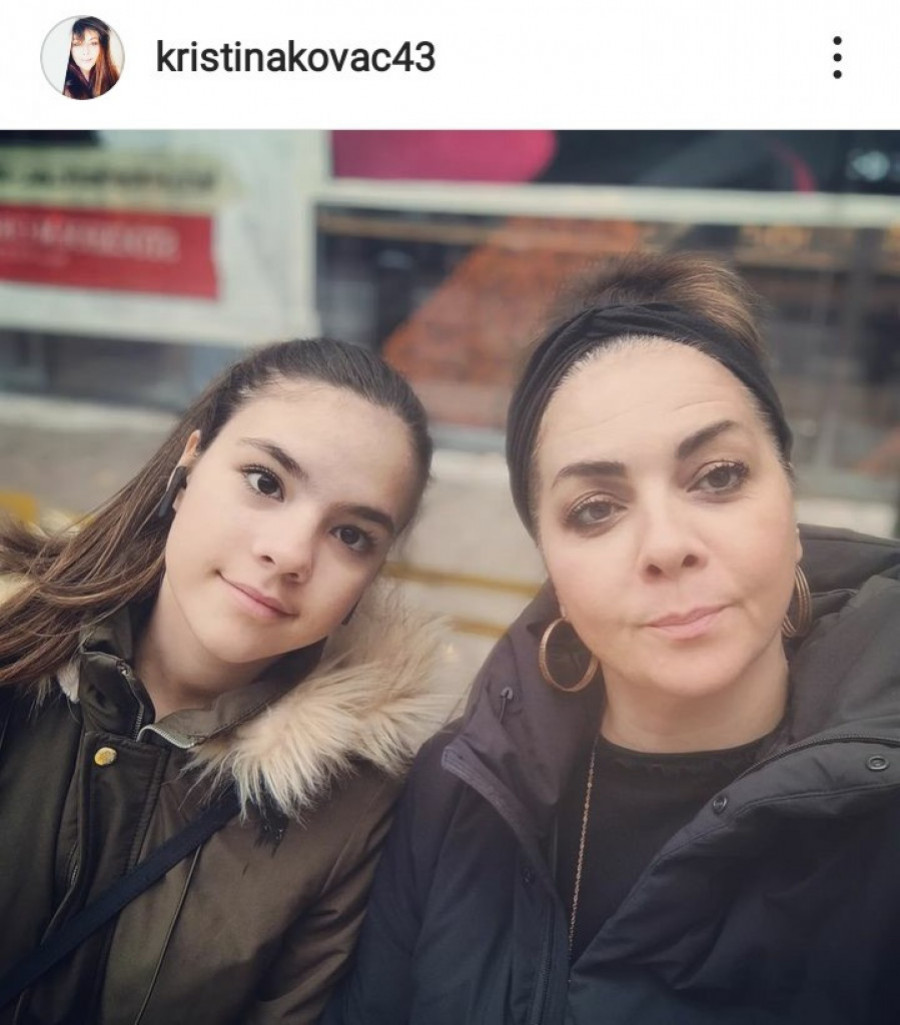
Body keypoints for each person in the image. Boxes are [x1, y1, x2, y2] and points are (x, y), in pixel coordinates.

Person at [325, 254, 900, 1024]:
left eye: (718, 475)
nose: (666, 545)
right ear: (550, 565)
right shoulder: (457, 794)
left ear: (790, 498)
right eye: (595, 509)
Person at [0, 338, 458, 1024]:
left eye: (351, 535)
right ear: (188, 468)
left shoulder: (353, 809)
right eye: (266, 482)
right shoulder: (14, 651)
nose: (289, 553)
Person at [63, 16, 120, 100]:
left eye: (93, 43)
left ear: (102, 46)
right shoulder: (64, 87)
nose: (86, 52)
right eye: (77, 44)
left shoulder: (114, 75)